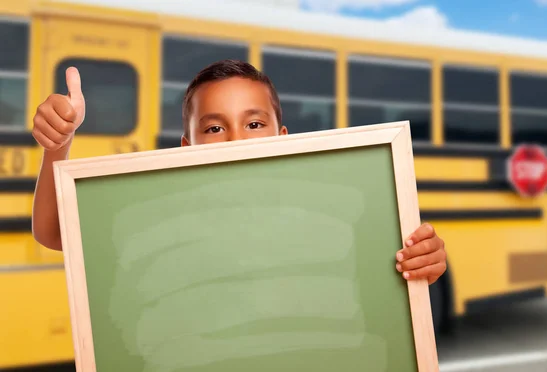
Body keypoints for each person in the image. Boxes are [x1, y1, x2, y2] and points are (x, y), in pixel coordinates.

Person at [31, 59, 447, 285]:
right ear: (186, 148)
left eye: (253, 124)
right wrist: (58, 146)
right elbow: (53, 233)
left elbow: (384, 271)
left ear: (281, 137)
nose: (234, 140)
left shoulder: (329, 221)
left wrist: (421, 262)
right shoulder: (158, 219)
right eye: (214, 128)